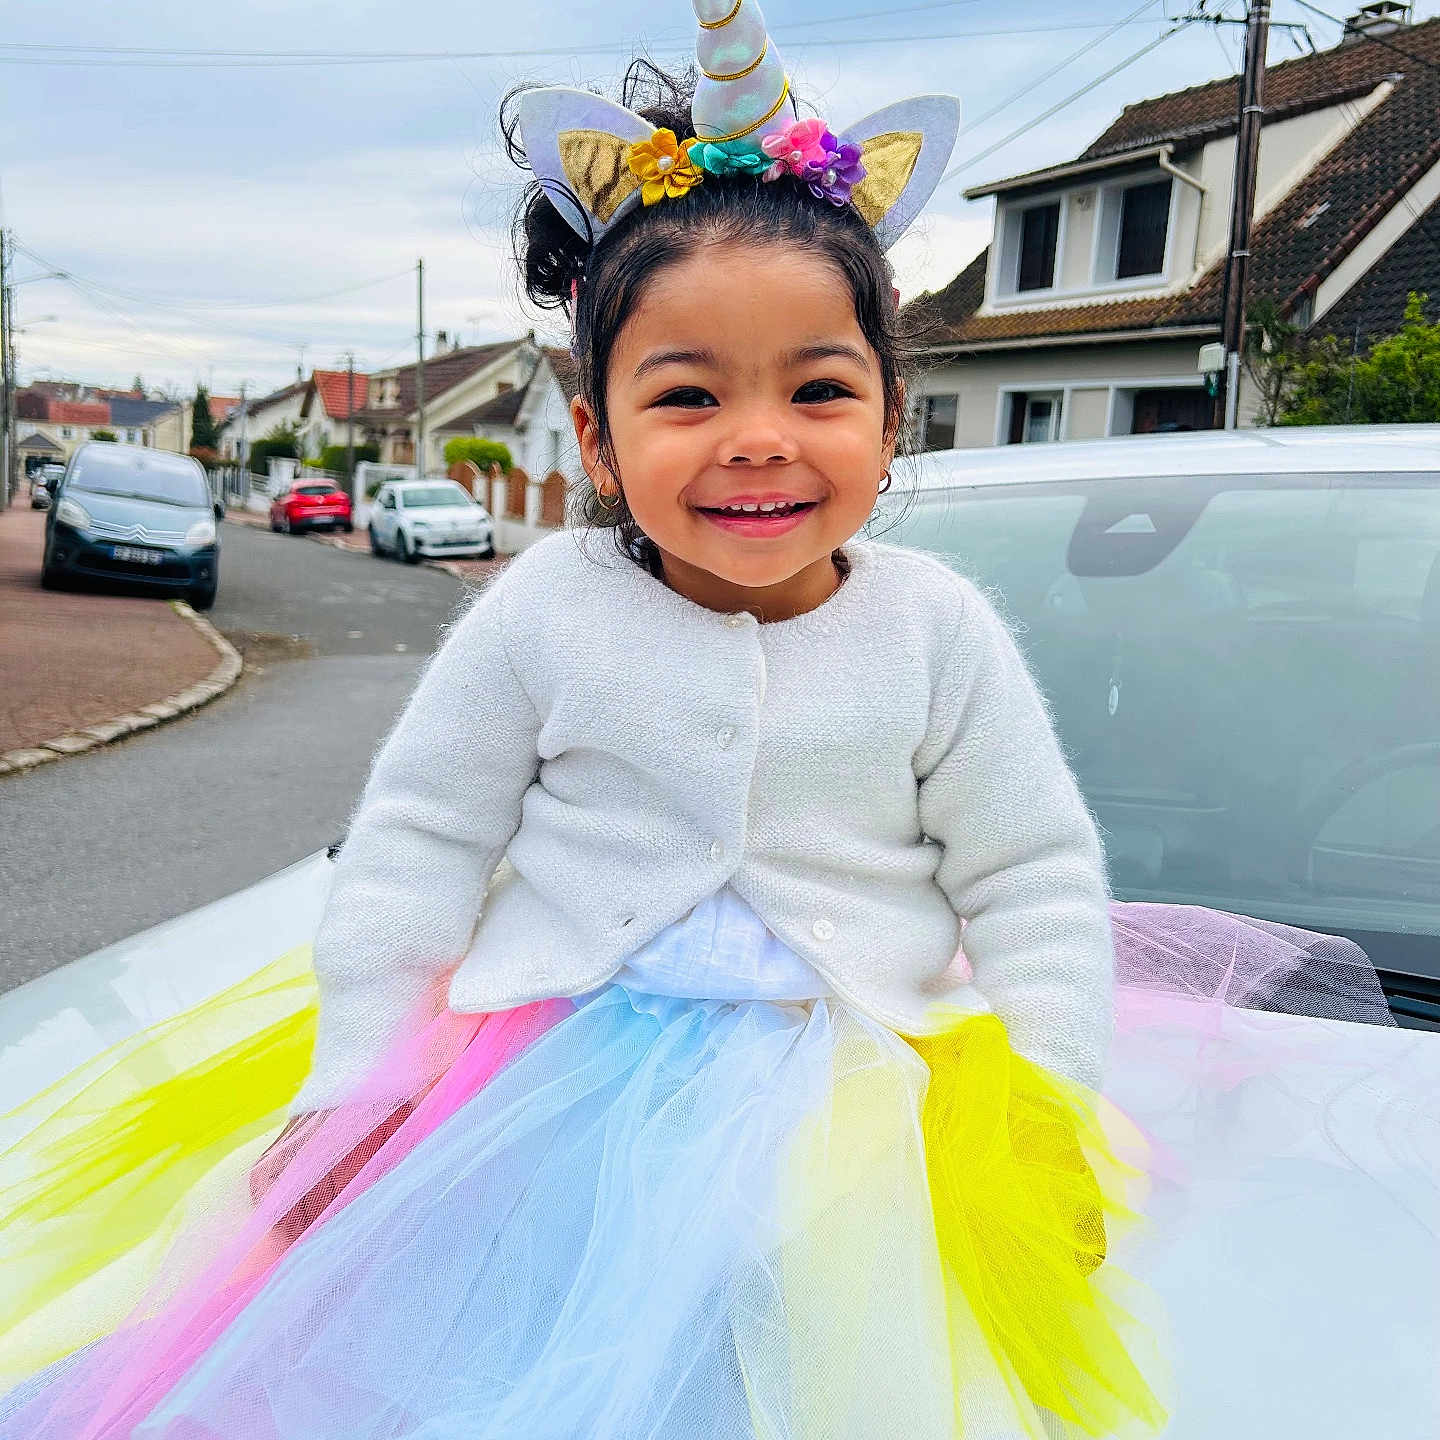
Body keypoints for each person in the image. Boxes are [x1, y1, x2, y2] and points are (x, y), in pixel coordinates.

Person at [2, 8, 1434, 1438]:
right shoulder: (543, 616)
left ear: (890, 424)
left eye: (819, 388)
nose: (760, 434)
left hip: (858, 1096)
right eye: (688, 393)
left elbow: (1031, 873)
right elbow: (418, 847)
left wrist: (1043, 1104)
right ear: (598, 440)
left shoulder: (935, 629)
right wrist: (357, 1082)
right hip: (548, 1096)